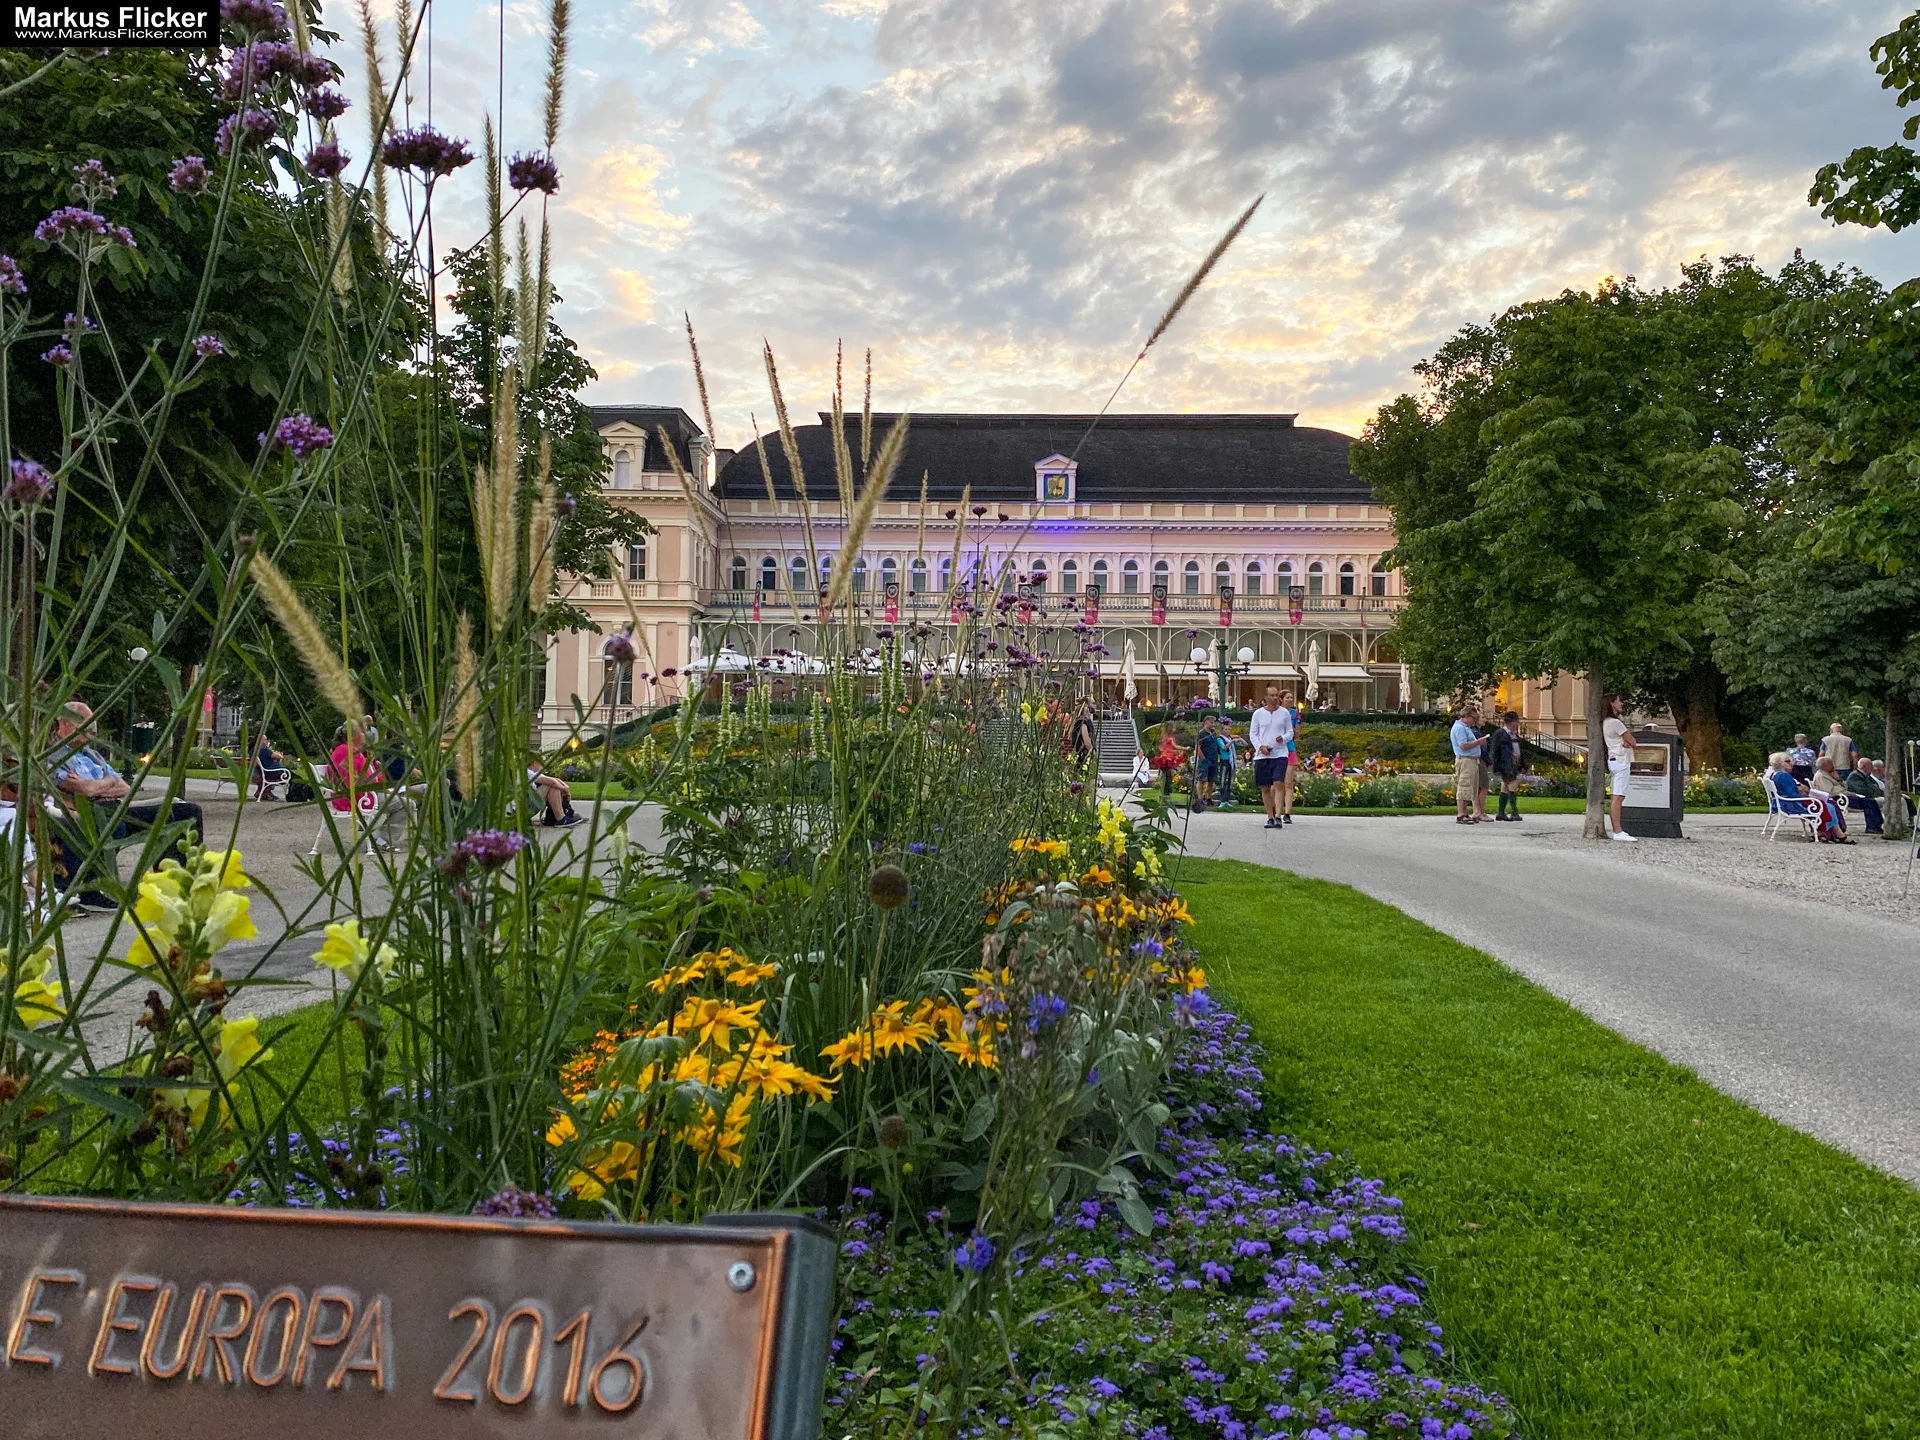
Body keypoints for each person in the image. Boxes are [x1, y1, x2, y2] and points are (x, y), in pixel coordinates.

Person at [49, 701, 204, 908]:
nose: (91, 731)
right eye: (85, 725)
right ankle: (92, 887)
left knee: (186, 812)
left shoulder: (91, 754)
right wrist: (104, 783)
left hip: (116, 806)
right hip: (85, 812)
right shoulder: (54, 755)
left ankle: (174, 881)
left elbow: (125, 787)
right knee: (114, 823)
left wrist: (99, 786)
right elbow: (85, 791)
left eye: (93, 726)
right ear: (64, 724)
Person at [1249, 685, 1293, 830]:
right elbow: (1253, 734)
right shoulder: (1258, 714)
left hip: (1280, 753)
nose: (1274, 698)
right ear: (1266, 697)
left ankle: (1279, 816)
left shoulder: (1284, 713)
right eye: (1272, 695)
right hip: (1263, 755)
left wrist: (1284, 738)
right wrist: (1260, 747)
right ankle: (1270, 816)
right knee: (1265, 787)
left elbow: (1290, 732)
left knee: (1279, 783)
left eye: (1276, 695)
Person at [1600, 695, 1638, 842]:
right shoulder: (1616, 723)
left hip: (1614, 759)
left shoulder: (1606, 723)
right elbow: (1633, 741)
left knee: (1617, 796)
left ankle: (1618, 830)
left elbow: (1628, 741)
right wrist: (1628, 741)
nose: (1621, 703)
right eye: (1618, 701)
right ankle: (1618, 830)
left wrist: (1626, 741)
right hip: (1621, 760)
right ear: (1612, 704)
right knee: (1618, 796)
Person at [1450, 702, 1488, 825]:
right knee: (1464, 785)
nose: (1474, 721)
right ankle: (1461, 813)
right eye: (1474, 718)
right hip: (1465, 760)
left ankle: (1465, 812)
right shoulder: (1460, 728)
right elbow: (1464, 745)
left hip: (1472, 760)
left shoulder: (1466, 728)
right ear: (1467, 716)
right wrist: (1478, 742)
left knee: (1471, 787)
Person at [1487, 710, 1525, 821]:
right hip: (1505, 764)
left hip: (1514, 763)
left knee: (1505, 786)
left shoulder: (1514, 734)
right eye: (1516, 722)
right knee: (1512, 784)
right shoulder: (1500, 734)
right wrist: (1494, 764)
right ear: (1511, 722)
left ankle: (1501, 812)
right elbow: (1494, 750)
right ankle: (1514, 811)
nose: (1517, 724)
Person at [1808, 756, 1853, 842]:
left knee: (1869, 801)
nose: (1833, 766)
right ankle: (1838, 832)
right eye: (1831, 764)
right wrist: (1843, 792)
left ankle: (1838, 832)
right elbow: (1827, 792)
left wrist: (1838, 779)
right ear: (1825, 766)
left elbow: (1845, 786)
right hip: (1838, 797)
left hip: (1843, 795)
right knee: (1869, 803)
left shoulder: (1831, 774)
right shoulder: (1821, 776)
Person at [530, 761, 582, 826]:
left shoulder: (532, 773)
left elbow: (555, 780)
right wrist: (566, 791)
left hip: (527, 806)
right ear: (534, 763)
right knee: (552, 786)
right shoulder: (527, 773)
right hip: (524, 810)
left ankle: (553, 816)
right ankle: (561, 818)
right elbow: (552, 782)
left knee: (554, 785)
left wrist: (565, 787)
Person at [1193, 715, 1226, 810]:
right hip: (1205, 759)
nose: (1213, 724)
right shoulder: (1201, 734)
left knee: (1211, 780)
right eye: (1211, 722)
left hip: (1213, 759)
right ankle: (1199, 799)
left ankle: (1208, 798)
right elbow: (1198, 746)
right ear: (1206, 722)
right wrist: (1202, 757)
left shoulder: (1212, 733)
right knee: (1202, 779)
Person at [1845, 758, 1885, 834]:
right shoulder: (1855, 776)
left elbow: (1875, 788)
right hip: (1855, 798)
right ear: (1863, 766)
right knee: (1871, 802)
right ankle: (1873, 827)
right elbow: (1862, 790)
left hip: (1869, 796)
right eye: (1870, 765)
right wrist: (1876, 793)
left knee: (1901, 799)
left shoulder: (1866, 776)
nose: (1872, 768)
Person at [1280, 689, 1301, 824]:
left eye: (1291, 697)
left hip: (1290, 749)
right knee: (1276, 783)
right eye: (1287, 697)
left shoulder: (1294, 714)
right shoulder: (1276, 713)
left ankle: (1287, 813)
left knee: (1288, 783)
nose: (1290, 699)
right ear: (1281, 699)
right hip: (1277, 749)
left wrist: (1292, 729)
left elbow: (1297, 734)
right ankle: (1276, 810)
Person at [1069, 700, 1097, 769]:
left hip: (1079, 755)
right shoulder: (1082, 723)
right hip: (1083, 756)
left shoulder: (1078, 723)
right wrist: (1093, 753)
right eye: (1093, 703)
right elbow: (1087, 742)